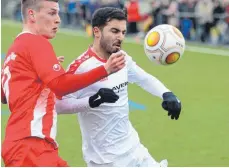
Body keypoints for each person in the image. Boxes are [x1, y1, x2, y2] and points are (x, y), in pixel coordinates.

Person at [1, 0, 125, 167]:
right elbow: (61, 86)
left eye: (58, 13)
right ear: (32, 14)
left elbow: (4, 95)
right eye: (52, 13)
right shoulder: (35, 42)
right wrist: (105, 70)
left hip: (26, 143)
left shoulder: (15, 49)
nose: (58, 19)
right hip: (31, 143)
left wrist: (40, 71)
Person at [56, 7, 181, 167]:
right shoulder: (81, 67)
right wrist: (93, 100)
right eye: (114, 31)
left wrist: (166, 93)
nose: (120, 37)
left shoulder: (121, 58)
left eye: (123, 32)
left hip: (135, 150)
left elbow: (144, 78)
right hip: (106, 160)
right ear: (97, 31)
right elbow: (58, 105)